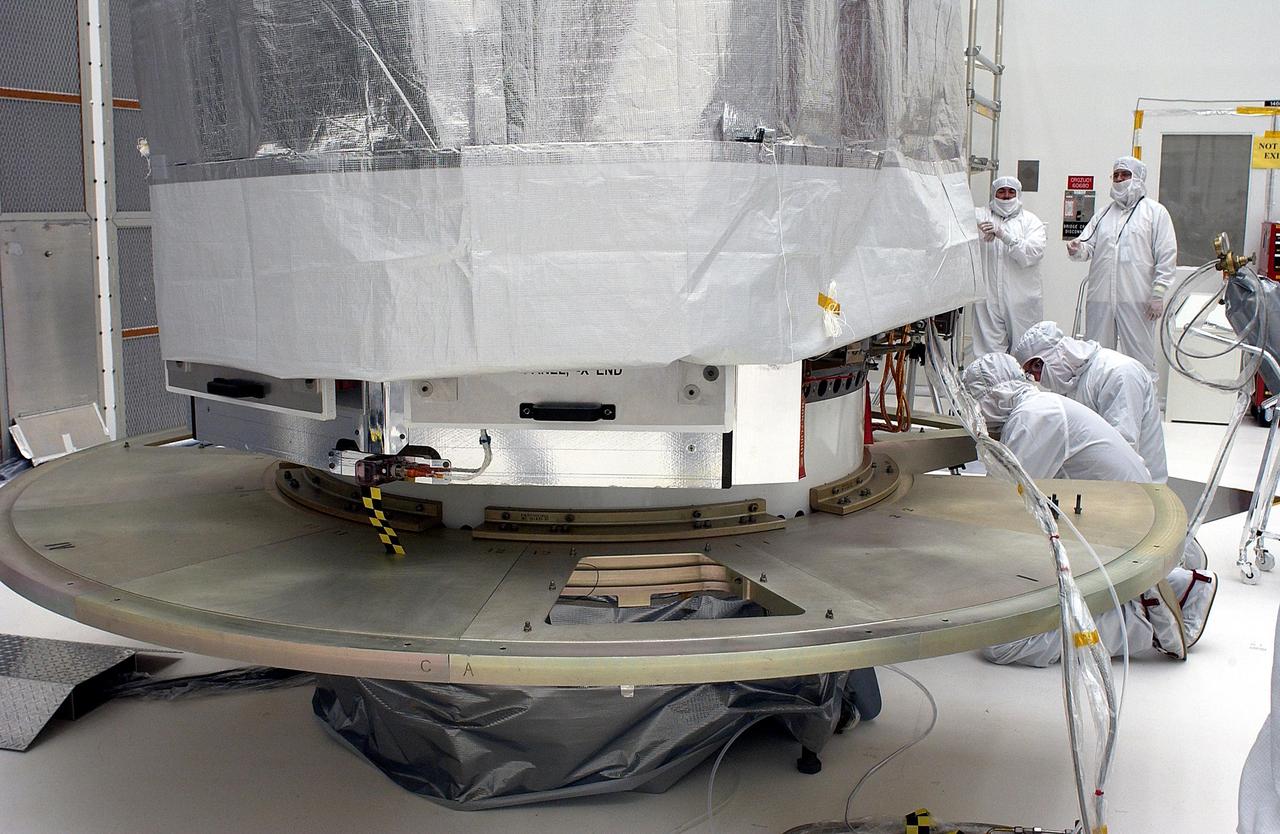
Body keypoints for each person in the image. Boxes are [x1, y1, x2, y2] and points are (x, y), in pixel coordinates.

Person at [962, 353, 1215, 666]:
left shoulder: (1034, 418)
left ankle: (1147, 613)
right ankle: (1168, 588)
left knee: (1004, 644)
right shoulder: (1040, 407)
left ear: (990, 397)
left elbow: (1003, 506)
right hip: (1122, 528)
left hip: (1123, 544)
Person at [1013, 320, 1168, 483]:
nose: (1037, 379)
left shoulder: (1118, 372)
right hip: (1098, 483)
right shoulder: (1067, 384)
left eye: (1037, 366)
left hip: (1140, 487)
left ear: (1058, 352)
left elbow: (1123, 448)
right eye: (1030, 374)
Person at [1066, 156, 1177, 375]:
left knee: (1139, 358)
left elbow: (1166, 256)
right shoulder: (1104, 214)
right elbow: (1087, 247)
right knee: (1096, 356)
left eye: (1125, 175)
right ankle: (1098, 394)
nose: (1119, 179)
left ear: (1138, 178)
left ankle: (1143, 396)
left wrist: (1158, 293)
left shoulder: (1155, 213)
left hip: (1137, 299)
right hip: (1101, 298)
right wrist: (1076, 249)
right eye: (1115, 175)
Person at [971, 176, 1046, 357]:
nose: (1006, 196)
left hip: (1021, 300)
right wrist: (976, 225)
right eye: (1001, 191)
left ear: (1018, 194)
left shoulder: (1030, 221)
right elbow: (957, 217)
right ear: (993, 194)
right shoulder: (982, 216)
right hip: (988, 300)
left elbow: (1033, 252)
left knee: (1025, 351)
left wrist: (1004, 235)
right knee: (989, 354)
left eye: (1011, 192)